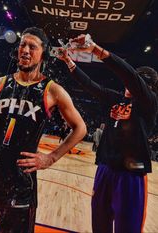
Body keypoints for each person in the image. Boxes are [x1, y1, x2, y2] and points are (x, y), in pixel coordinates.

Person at [0, 27, 87, 233]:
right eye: (22, 45)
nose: (25, 50)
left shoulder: (53, 90)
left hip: (20, 181)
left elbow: (80, 128)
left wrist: (51, 158)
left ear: (43, 53)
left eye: (32, 47)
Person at [55, 34, 158, 233]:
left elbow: (129, 75)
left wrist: (95, 49)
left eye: (135, 82)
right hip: (105, 168)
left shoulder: (149, 104)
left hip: (131, 174)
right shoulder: (116, 98)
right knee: (100, 224)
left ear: (146, 87)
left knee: (127, 228)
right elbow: (91, 86)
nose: (127, 84)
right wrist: (68, 61)